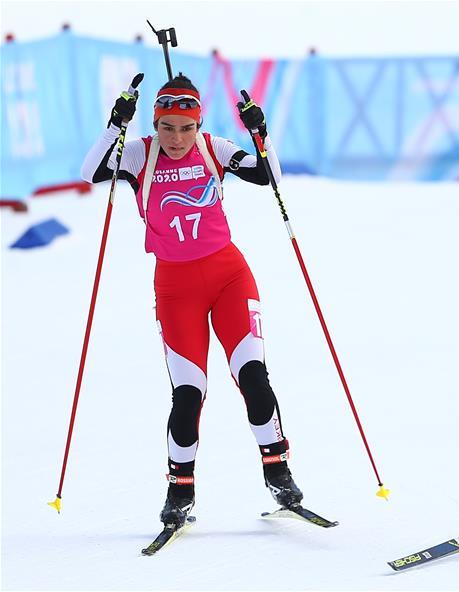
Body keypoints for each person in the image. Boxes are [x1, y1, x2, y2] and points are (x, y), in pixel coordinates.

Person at [81, 73, 305, 527]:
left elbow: (269, 176)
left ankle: (277, 469)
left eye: (186, 127)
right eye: (168, 127)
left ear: (198, 123)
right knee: (188, 394)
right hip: (176, 288)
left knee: (253, 377)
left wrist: (259, 133)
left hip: (229, 278)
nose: (178, 138)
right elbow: (91, 173)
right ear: (156, 124)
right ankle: (179, 491)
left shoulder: (213, 148)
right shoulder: (140, 151)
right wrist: (115, 125)